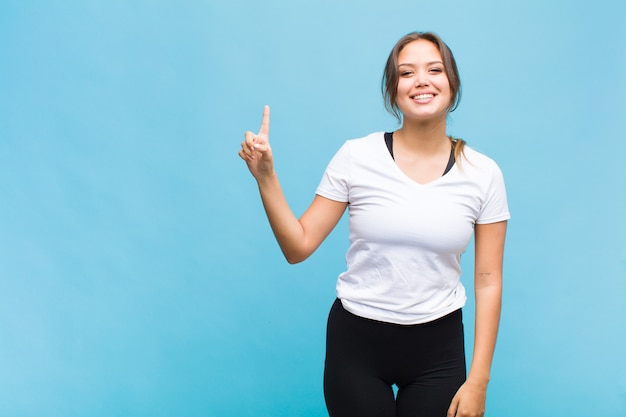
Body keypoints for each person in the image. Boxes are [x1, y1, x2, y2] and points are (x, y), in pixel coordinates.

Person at [238, 31, 509, 417]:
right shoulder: (356, 156)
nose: (421, 81)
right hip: (358, 344)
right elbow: (297, 247)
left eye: (434, 69)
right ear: (392, 89)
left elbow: (488, 279)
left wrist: (479, 380)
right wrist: (266, 177)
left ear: (452, 82)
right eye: (406, 73)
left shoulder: (483, 173)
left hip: (439, 349)